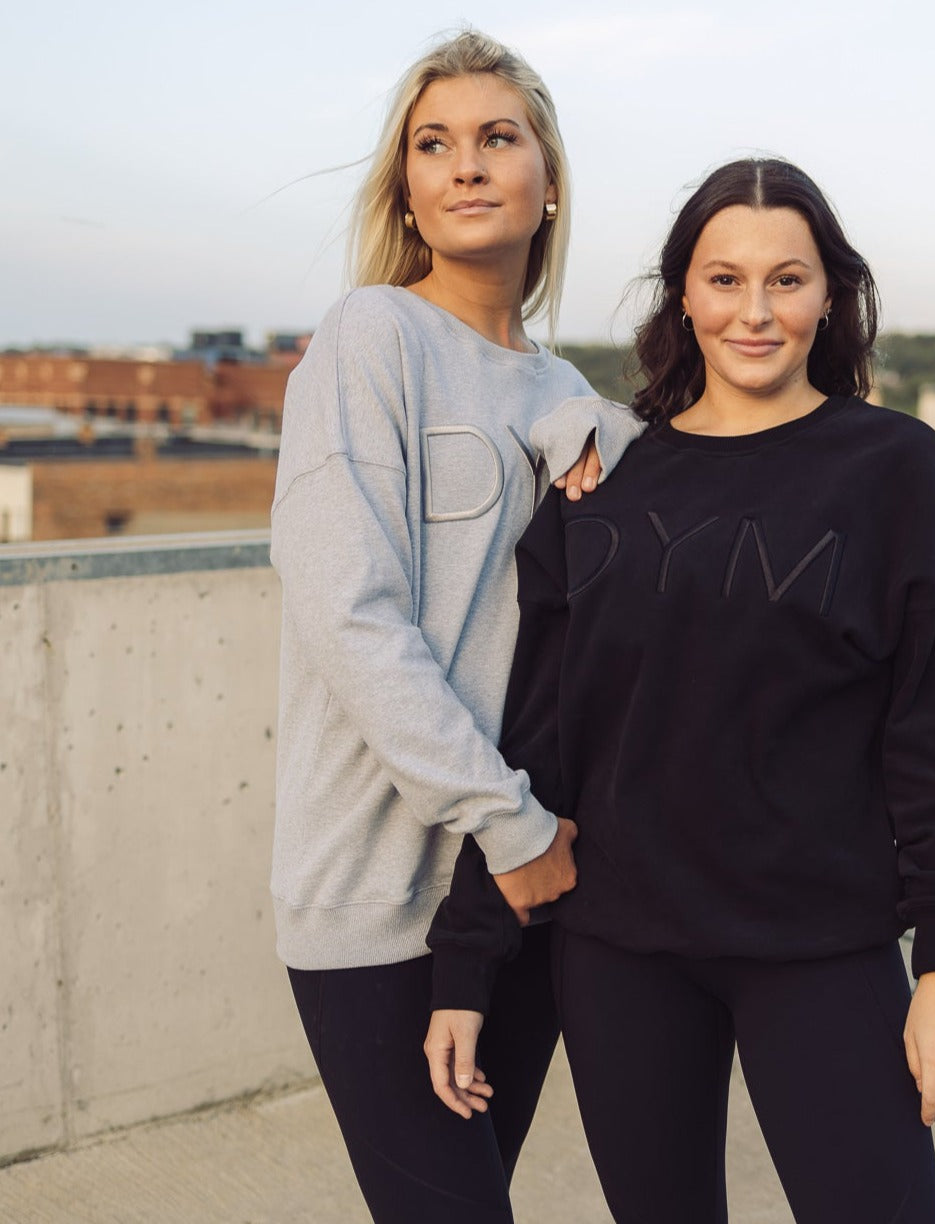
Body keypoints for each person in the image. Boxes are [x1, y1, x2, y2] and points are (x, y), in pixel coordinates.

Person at [426, 158, 935, 1223]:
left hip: (821, 947)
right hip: (618, 953)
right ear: (682, 293)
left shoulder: (895, 467)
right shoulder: (604, 477)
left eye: (786, 280)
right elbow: (542, 736)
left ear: (830, 295)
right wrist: (467, 964)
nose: (755, 312)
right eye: (724, 279)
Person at [269, 29, 642, 1224]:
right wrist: (507, 822)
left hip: (522, 890)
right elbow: (349, 612)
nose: (467, 165)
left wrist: (598, 422)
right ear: (408, 190)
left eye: (497, 138)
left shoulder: (560, 389)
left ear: (548, 182)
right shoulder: (370, 337)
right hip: (385, 889)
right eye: (434, 145)